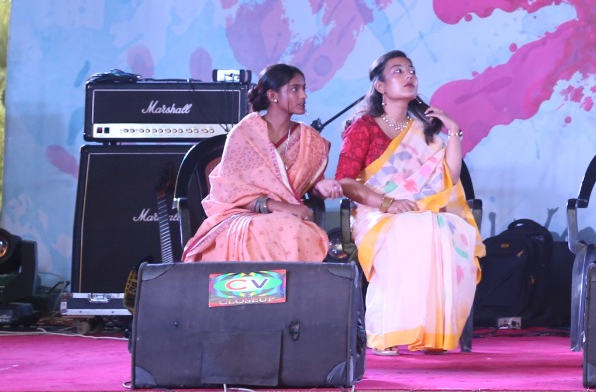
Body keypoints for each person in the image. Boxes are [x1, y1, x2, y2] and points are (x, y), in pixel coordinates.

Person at [335, 50, 483, 354]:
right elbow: (346, 181)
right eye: (398, 71)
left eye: (412, 70)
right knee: (411, 229)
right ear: (380, 86)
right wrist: (387, 203)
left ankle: (430, 333)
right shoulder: (363, 127)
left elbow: (450, 178)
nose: (409, 76)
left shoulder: (423, 131)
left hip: (419, 211)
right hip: (376, 214)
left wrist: (453, 132)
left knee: (447, 230)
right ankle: (385, 333)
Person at [182, 64, 344, 263]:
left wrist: (321, 186)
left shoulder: (310, 139)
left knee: (289, 228)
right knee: (264, 229)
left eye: (304, 89)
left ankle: (283, 285)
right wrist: (276, 206)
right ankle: (255, 285)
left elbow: (311, 187)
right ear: (272, 95)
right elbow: (229, 191)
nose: (304, 95)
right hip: (240, 216)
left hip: (289, 218)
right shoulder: (245, 133)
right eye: (295, 89)